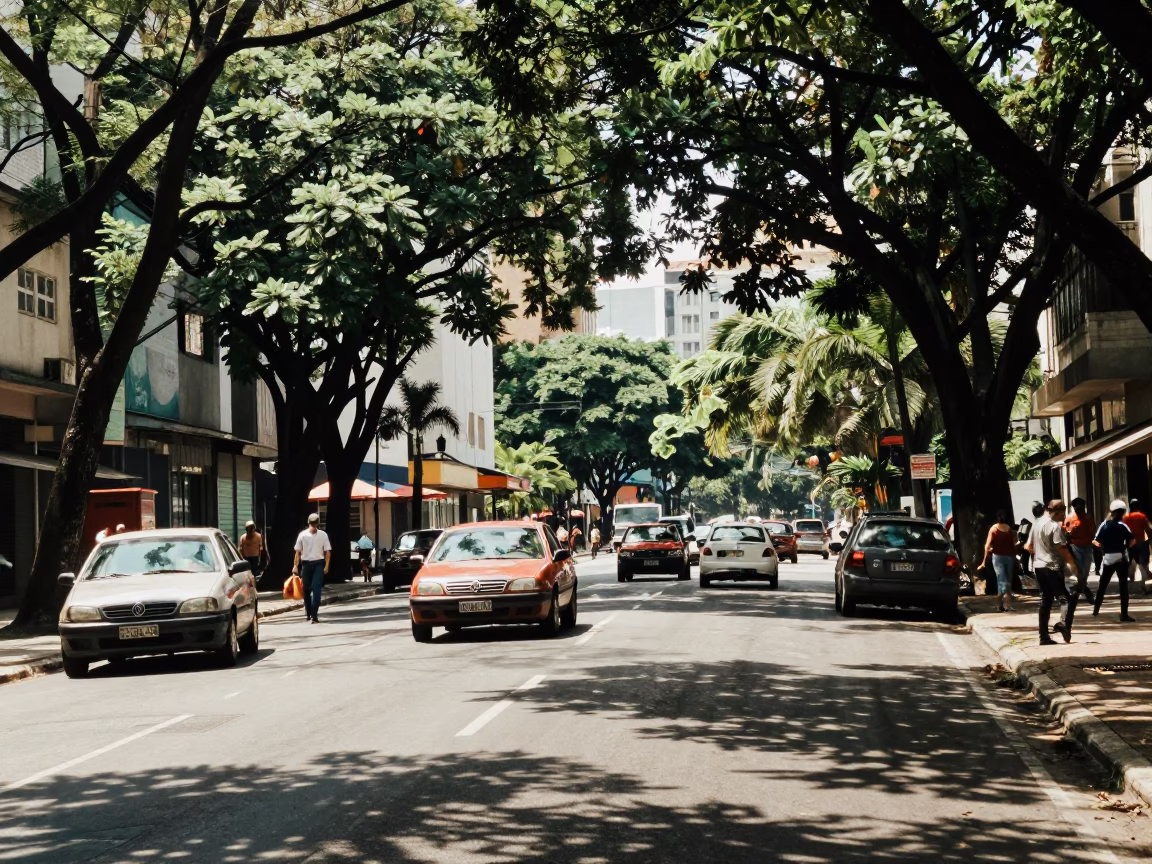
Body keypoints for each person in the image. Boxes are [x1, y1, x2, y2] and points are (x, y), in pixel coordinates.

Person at [1026, 499, 1080, 645]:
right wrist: (1072, 564)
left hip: (1039, 566)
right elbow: (1061, 548)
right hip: (1053, 567)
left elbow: (1029, 546)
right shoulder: (1053, 526)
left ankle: (1043, 636)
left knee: (1046, 600)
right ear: (1058, 512)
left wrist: (1041, 553)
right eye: (1063, 513)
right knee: (1066, 599)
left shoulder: (1037, 523)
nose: (1064, 516)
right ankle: (1062, 624)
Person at [1092, 499, 1137, 623]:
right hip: (1121, 558)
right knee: (1123, 587)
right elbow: (1132, 540)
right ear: (1123, 512)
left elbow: (1095, 541)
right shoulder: (1123, 526)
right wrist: (1126, 546)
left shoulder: (1104, 524)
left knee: (1102, 586)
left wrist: (1103, 547)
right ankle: (1124, 615)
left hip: (1107, 558)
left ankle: (1096, 610)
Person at [292, 513, 331, 623]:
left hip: (318, 563)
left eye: (315, 524)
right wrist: (295, 565)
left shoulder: (323, 535)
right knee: (306, 589)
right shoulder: (302, 535)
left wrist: (326, 566)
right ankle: (308, 613)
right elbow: (298, 552)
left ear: (318, 524)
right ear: (309, 523)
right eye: (312, 524)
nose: (314, 526)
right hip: (306, 564)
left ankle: (314, 614)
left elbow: (327, 552)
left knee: (316, 587)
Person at [1063, 498, 1097, 604]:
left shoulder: (1089, 518)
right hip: (1075, 547)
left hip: (1087, 547)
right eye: (1077, 506)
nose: (1079, 509)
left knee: (1086, 572)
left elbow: (1093, 532)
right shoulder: (1070, 519)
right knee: (1080, 572)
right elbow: (1065, 534)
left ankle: (1077, 589)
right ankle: (1087, 593)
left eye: (1081, 506)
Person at [983, 510, 1017, 612]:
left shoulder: (1000, 528)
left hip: (1003, 557)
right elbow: (987, 545)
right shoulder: (1000, 529)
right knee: (1004, 581)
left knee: (1004, 580)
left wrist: (984, 561)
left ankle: (1004, 604)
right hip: (1003, 557)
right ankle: (1003, 604)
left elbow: (987, 545)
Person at [1124, 499, 1151, 593]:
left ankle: (1129, 585)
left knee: (1130, 563)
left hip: (1131, 543)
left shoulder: (1126, 518)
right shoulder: (1142, 516)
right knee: (1143, 564)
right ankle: (1142, 585)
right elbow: (1148, 529)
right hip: (1142, 542)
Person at [1017, 501, 1044, 576]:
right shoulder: (1034, 520)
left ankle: (1027, 570)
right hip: (1027, 540)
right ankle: (1026, 570)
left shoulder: (1031, 519)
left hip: (1026, 540)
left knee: (1025, 556)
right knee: (1026, 556)